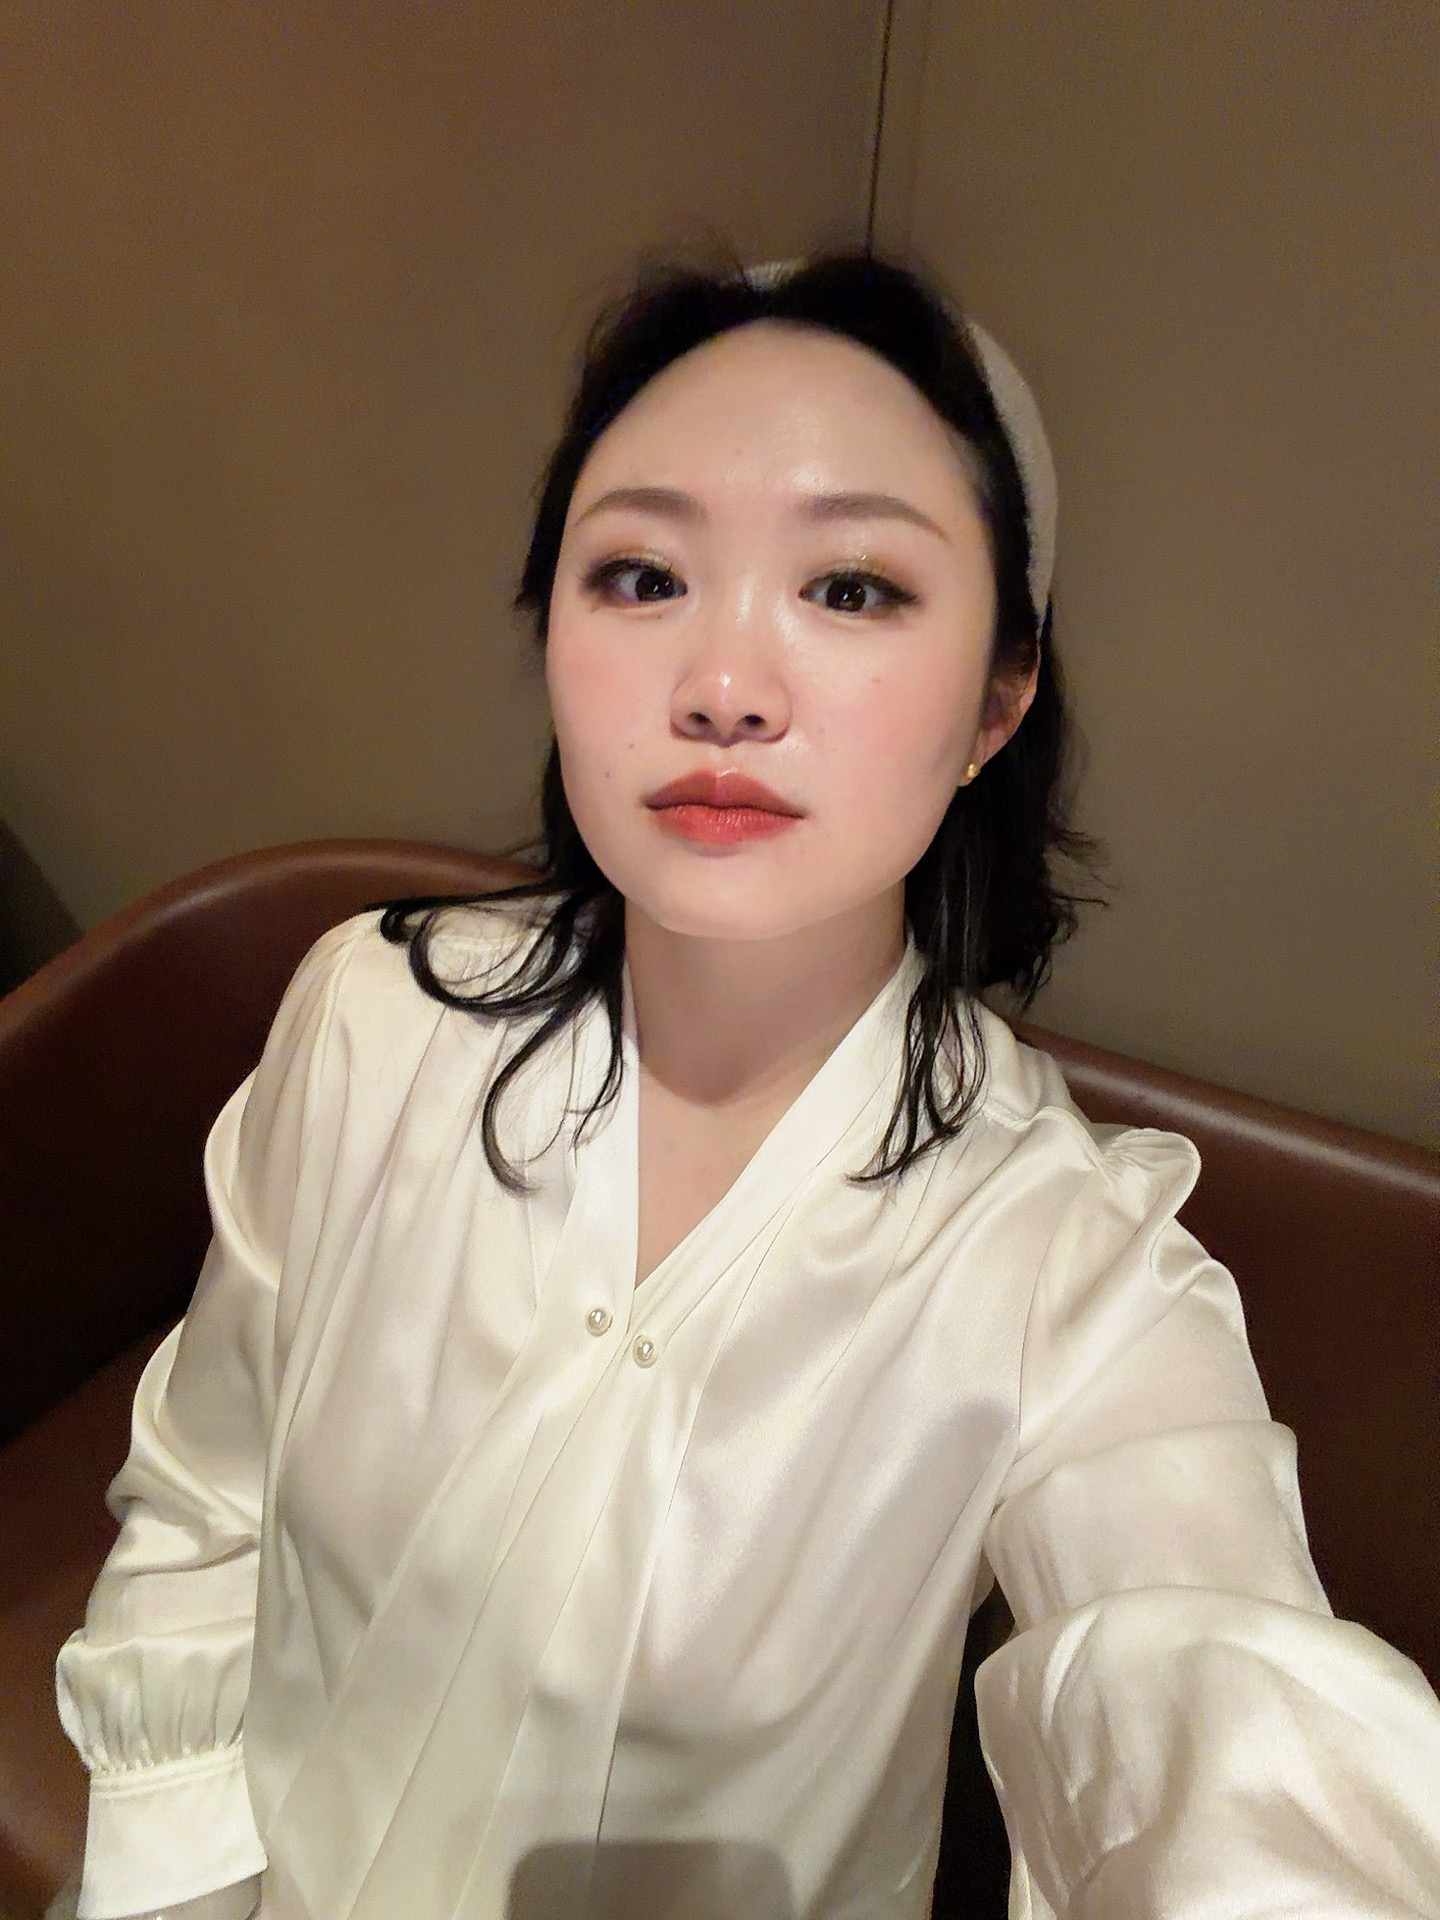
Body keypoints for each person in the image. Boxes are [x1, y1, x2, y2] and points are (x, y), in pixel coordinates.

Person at [55, 252, 1440, 1920]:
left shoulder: (1065, 1263)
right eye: (641, 575)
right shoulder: (372, 1021)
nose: (724, 685)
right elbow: (206, 1508)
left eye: (850, 588)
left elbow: (1218, 1713)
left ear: (1000, 696)